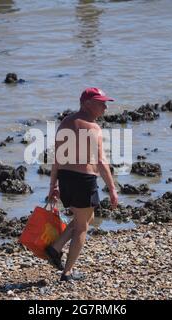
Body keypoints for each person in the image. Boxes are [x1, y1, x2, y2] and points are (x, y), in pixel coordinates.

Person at [46, 87, 118, 282]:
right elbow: (102, 162)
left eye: (106, 103)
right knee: (82, 228)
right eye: (101, 103)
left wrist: (53, 185)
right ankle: (67, 272)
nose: (105, 107)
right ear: (87, 103)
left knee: (86, 217)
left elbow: (57, 159)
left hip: (66, 179)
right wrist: (112, 188)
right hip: (83, 181)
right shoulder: (93, 128)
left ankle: (55, 247)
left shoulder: (65, 122)